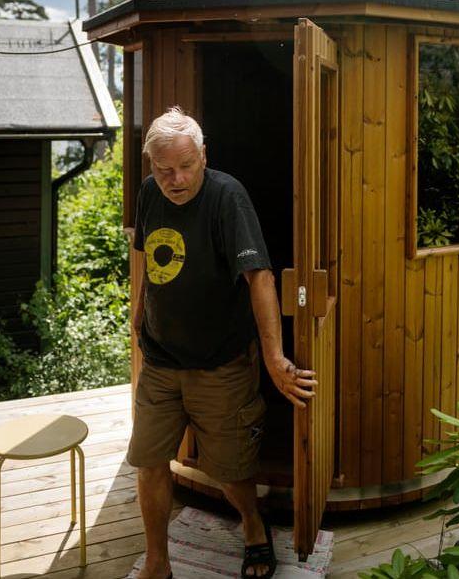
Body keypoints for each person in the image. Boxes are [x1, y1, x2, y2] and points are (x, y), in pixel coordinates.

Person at [127, 106, 316, 579]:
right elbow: (144, 253)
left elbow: (259, 277)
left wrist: (274, 357)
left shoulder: (227, 197)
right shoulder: (149, 192)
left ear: (203, 156)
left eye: (186, 166)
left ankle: (253, 525)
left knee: (231, 470)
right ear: (151, 166)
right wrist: (136, 308)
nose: (176, 179)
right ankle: (157, 560)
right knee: (149, 463)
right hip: (160, 359)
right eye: (164, 169)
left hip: (221, 362)